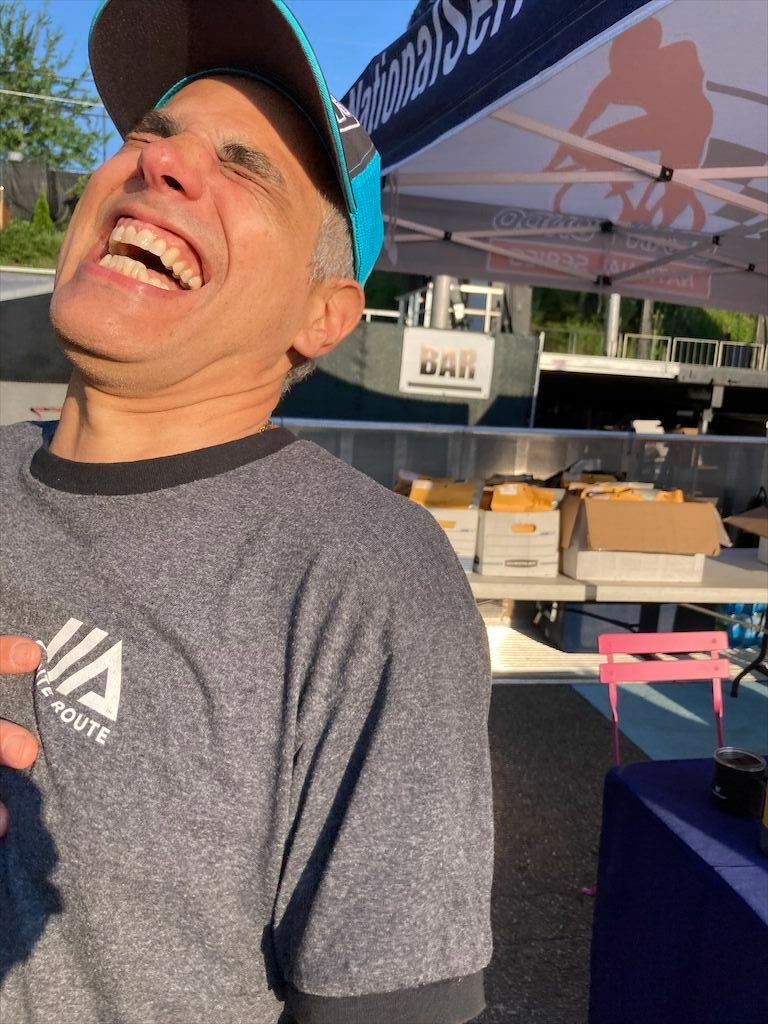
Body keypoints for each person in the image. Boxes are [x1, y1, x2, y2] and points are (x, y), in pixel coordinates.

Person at [0, 2, 494, 1023]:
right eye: (151, 134)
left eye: (246, 166)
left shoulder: (369, 579)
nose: (160, 162)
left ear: (324, 315)